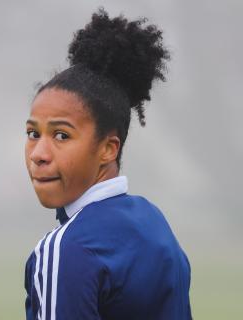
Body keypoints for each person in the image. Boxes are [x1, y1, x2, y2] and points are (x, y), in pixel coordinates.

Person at [23, 8, 192, 320]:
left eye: (61, 135)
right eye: (33, 133)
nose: (38, 153)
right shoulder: (152, 222)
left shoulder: (67, 249)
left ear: (108, 149)